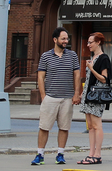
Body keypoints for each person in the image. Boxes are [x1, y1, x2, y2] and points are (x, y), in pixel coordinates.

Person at [33, 27, 81, 165]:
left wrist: (76, 93)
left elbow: (77, 75)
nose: (66, 41)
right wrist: (43, 96)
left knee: (64, 127)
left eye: (67, 38)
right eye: (63, 38)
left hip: (67, 98)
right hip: (50, 97)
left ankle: (60, 154)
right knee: (44, 127)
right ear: (55, 40)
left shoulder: (72, 55)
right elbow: (40, 77)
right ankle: (40, 155)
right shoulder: (46, 56)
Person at [77, 32, 111, 165]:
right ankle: (91, 154)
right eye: (88, 42)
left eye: (90, 42)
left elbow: (104, 79)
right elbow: (88, 79)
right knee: (90, 126)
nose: (88, 45)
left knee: (97, 125)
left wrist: (91, 68)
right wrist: (82, 94)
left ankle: (98, 154)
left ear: (98, 42)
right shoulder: (94, 57)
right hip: (88, 95)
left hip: (97, 96)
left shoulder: (103, 58)